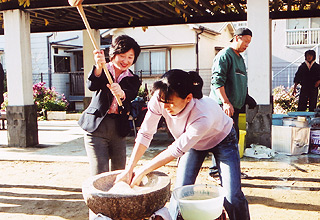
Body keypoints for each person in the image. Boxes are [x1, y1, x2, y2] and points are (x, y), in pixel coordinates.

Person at [116, 69, 250, 220]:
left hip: (223, 138)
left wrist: (142, 171)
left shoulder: (203, 114)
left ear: (188, 98)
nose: (165, 107)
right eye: (162, 102)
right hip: (192, 144)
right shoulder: (160, 98)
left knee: (232, 195)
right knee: (180, 191)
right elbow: (146, 133)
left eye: (170, 104)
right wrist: (130, 168)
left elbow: (175, 149)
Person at [78, 35, 141, 176]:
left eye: (130, 57)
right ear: (113, 54)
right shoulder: (103, 69)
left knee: (119, 171)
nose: (126, 61)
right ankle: (99, 197)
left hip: (118, 128)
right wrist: (99, 67)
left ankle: (117, 197)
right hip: (97, 128)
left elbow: (131, 94)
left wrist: (122, 93)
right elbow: (91, 85)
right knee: (100, 172)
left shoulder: (133, 79)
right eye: (122, 55)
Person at [209, 27, 255, 177]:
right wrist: (225, 102)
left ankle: (228, 171)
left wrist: (246, 97)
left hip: (234, 107)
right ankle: (217, 171)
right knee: (223, 140)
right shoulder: (224, 56)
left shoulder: (240, 59)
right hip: (223, 107)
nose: (247, 45)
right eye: (245, 41)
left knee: (230, 140)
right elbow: (217, 81)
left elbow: (240, 80)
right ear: (237, 38)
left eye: (249, 43)